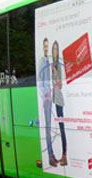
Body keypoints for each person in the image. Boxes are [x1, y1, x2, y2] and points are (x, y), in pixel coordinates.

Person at [37, 38, 58, 167]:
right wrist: (47, 95)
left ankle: (52, 154)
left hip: (49, 98)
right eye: (44, 46)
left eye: (47, 46)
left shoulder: (47, 61)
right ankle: (50, 156)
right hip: (46, 99)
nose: (46, 48)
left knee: (50, 128)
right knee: (48, 128)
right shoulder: (41, 61)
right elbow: (40, 82)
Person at [51, 41, 67, 166]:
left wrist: (55, 72)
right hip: (54, 99)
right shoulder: (52, 64)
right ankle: (62, 155)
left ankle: (64, 155)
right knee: (59, 128)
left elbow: (60, 85)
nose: (55, 51)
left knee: (62, 128)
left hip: (59, 100)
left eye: (57, 49)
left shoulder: (58, 66)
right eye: (54, 49)